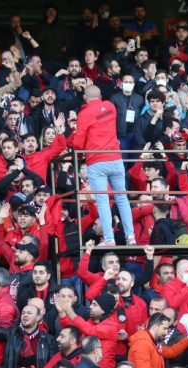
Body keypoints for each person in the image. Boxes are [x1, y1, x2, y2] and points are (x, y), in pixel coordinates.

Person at [73, 85, 134, 247]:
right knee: (122, 199)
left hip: (96, 161)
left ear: (85, 98)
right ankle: (131, 237)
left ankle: (109, 239)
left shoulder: (84, 114)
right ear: (100, 96)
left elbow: (78, 143)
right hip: (115, 158)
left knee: (103, 202)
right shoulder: (110, 106)